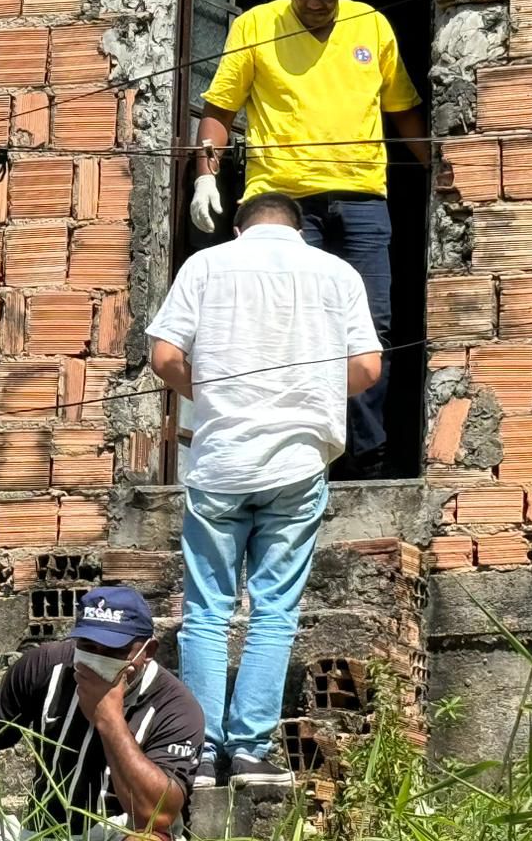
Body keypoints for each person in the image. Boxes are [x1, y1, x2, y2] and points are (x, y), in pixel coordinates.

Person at [147, 192, 383, 787]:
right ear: (299, 229)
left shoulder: (205, 265)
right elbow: (367, 369)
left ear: (238, 226)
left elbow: (164, 356)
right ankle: (250, 753)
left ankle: (197, 754)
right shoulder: (337, 272)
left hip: (222, 461)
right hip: (298, 463)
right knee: (274, 611)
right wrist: (312, 396)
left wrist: (217, 397)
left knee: (206, 611)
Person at [191, 0, 427, 480]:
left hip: (363, 199)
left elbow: (404, 110)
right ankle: (291, 460)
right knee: (287, 326)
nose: (314, 5)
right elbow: (219, 110)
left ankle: (365, 458)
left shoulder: (370, 25)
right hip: (282, 204)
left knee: (371, 328)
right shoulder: (256, 25)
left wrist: (443, 168)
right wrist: (206, 177)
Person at [0, 587, 204, 841]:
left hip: (123, 832)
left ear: (148, 651)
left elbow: (157, 816)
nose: (95, 659)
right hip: (43, 830)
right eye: (88, 647)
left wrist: (110, 719)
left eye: (111, 651)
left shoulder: (176, 708)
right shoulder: (46, 667)